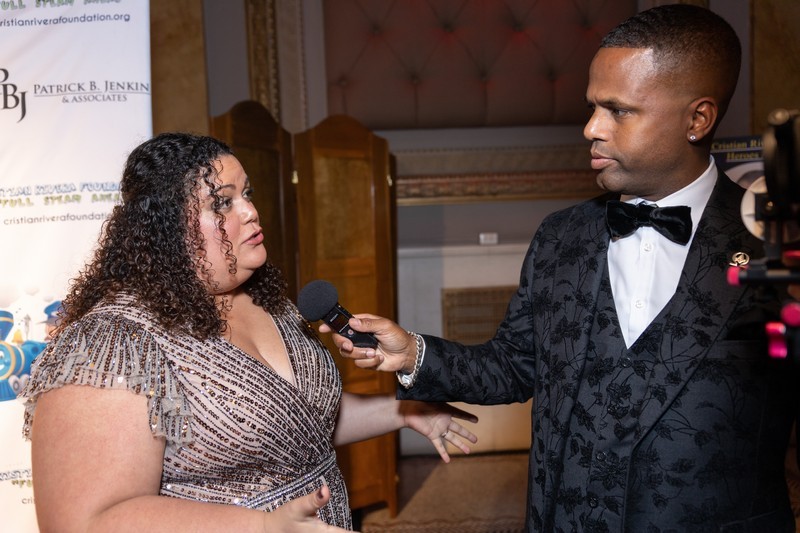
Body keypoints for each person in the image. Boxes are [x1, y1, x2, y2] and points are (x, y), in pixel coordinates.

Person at [321, 4, 800, 532]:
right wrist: (414, 353)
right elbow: (513, 364)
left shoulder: (776, 245)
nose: (592, 127)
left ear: (697, 119)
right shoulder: (560, 236)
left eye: (619, 110)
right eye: (592, 107)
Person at [19, 132, 478, 532]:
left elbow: (296, 429)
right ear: (165, 228)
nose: (252, 211)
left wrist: (405, 412)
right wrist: (261, 526)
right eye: (222, 202)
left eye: (247, 194)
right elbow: (83, 522)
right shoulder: (112, 342)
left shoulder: (267, 301)